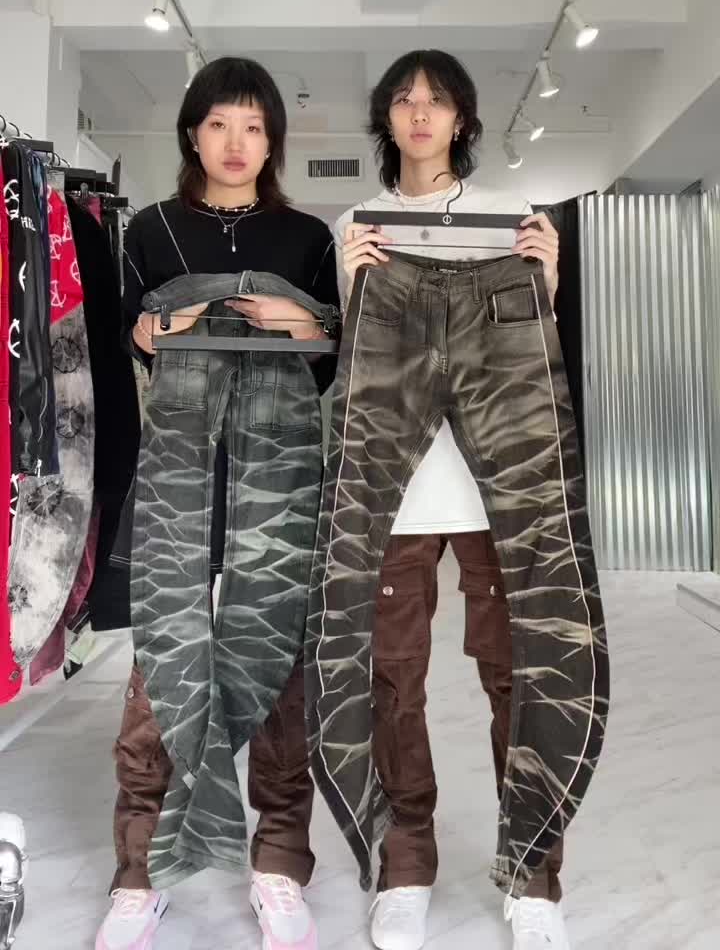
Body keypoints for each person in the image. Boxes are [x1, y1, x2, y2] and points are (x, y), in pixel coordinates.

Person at [96, 57, 339, 950]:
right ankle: (140, 871)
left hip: (278, 472)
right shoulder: (151, 230)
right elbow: (130, 337)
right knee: (161, 658)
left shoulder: (307, 237)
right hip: (179, 469)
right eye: (219, 124)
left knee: (277, 660)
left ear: (273, 142)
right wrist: (162, 327)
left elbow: (331, 358)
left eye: (254, 127)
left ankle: (278, 865)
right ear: (192, 133)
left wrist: (301, 323)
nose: (236, 143)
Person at [334, 51, 569, 950]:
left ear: (463, 118)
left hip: (497, 490)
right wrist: (353, 284)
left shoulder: (511, 220)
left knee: (519, 671)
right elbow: (350, 371)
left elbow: (534, 363)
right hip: (395, 492)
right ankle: (407, 863)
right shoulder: (358, 226)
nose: (421, 114)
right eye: (404, 100)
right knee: (393, 677)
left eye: (436, 101)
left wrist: (544, 287)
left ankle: (533, 871)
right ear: (387, 119)